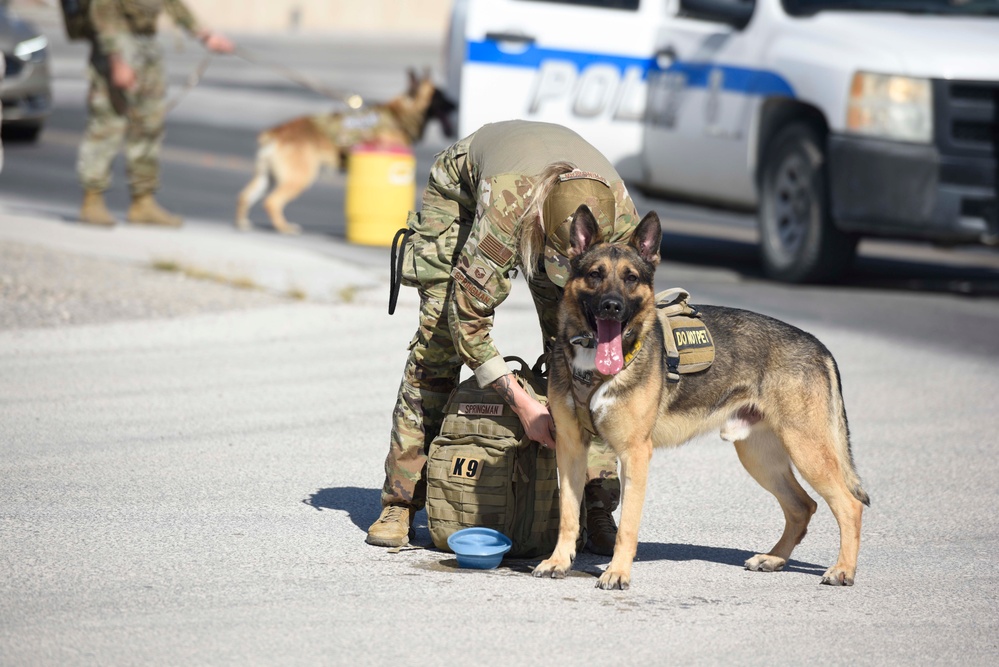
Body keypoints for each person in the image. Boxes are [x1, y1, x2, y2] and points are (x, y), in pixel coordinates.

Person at [368, 119, 645, 555]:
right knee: (438, 345)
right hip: (466, 195)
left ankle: (596, 506)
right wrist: (523, 403)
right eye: (556, 263)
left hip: (563, 221)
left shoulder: (620, 221)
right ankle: (401, 500)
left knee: (588, 357)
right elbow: (468, 316)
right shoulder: (506, 213)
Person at [77, 0, 235, 228]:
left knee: (149, 125)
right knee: (107, 124)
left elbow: (172, 3)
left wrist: (204, 34)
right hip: (117, 44)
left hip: (146, 43)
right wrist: (116, 60)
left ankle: (143, 202)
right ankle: (92, 200)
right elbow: (102, 9)